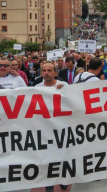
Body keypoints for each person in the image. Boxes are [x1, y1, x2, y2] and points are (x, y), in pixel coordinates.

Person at [35, 61, 68, 191]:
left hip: (61, 128)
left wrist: (64, 92)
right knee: (48, 157)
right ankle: (49, 185)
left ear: (55, 73)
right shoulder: (36, 87)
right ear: (41, 72)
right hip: (45, 130)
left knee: (62, 156)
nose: (46, 73)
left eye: (49, 70)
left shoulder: (64, 85)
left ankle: (64, 178)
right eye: (44, 71)